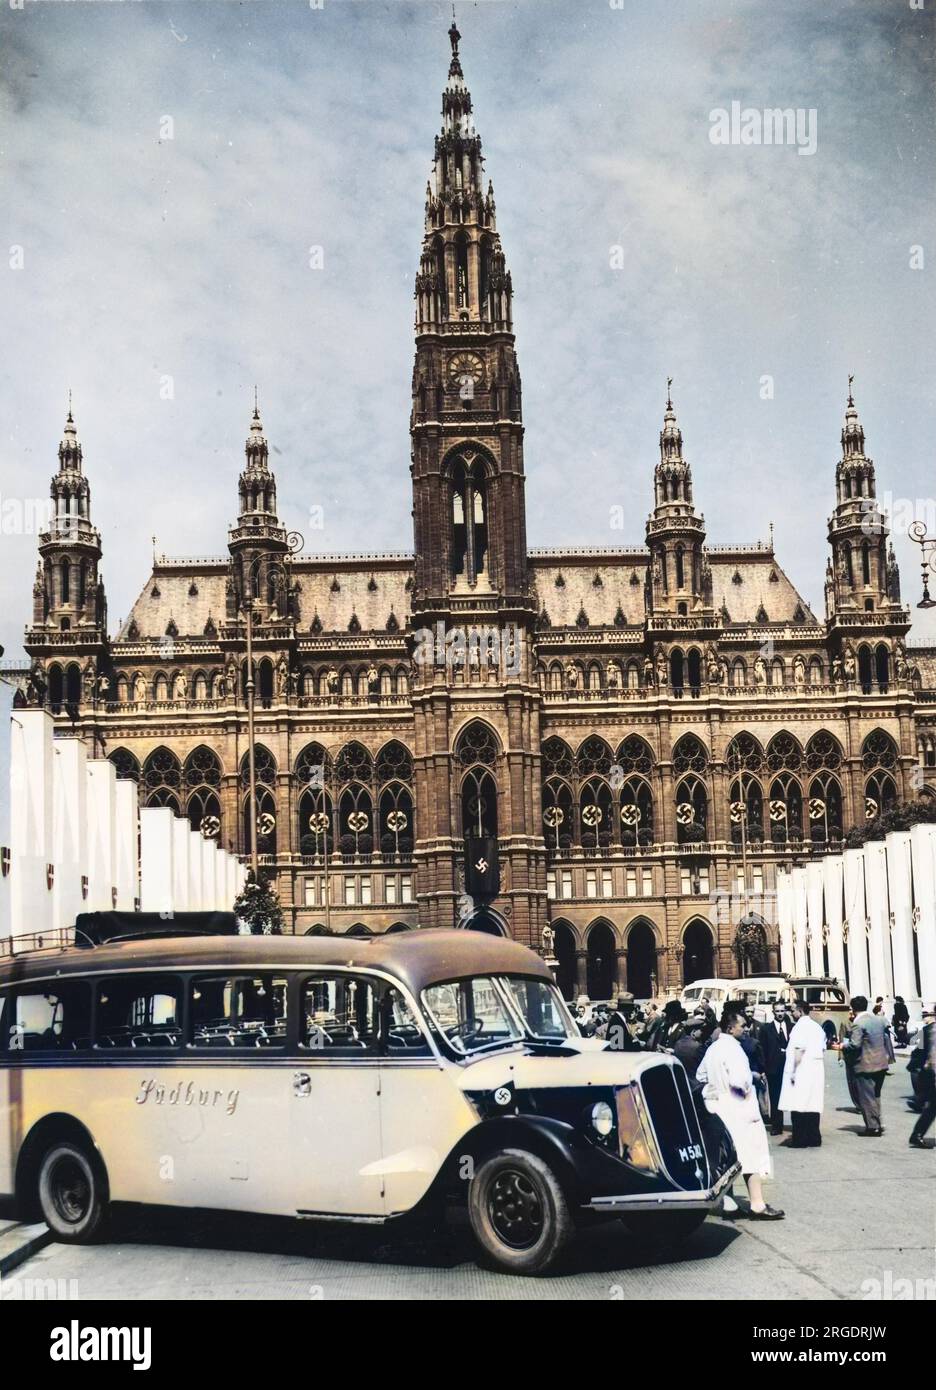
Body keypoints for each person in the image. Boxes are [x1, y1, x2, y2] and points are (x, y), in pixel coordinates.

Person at [696, 1007, 784, 1220]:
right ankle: (758, 1204)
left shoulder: (713, 1048)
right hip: (741, 1111)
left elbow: (700, 1076)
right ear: (730, 1027)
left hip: (720, 1110)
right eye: (743, 1026)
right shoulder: (735, 1050)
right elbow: (740, 1082)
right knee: (751, 1158)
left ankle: (729, 1204)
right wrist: (750, 1081)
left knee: (729, 1161)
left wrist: (716, 1091)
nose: (746, 1029)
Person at [845, 994, 895, 1137]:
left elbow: (854, 1045)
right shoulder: (878, 1020)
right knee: (876, 1095)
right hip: (881, 1064)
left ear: (853, 1009)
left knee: (866, 1097)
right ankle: (878, 1123)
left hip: (865, 1065)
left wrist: (842, 1045)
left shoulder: (858, 1023)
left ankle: (873, 1127)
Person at [778, 1000, 826, 1146]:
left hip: (802, 1069)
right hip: (815, 1069)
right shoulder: (817, 1027)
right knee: (812, 1103)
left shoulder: (799, 1027)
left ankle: (799, 1139)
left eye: (792, 1010)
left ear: (800, 1011)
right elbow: (822, 1048)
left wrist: (793, 1071)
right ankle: (814, 1138)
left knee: (798, 1104)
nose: (791, 1013)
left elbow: (799, 1050)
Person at [758, 1000, 793, 1135]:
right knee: (775, 1096)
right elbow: (762, 1050)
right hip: (774, 1068)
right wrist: (763, 1069)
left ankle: (796, 1125)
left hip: (789, 1068)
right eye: (777, 1011)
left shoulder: (792, 1027)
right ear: (773, 1012)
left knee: (792, 1095)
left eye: (782, 1011)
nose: (780, 1014)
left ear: (786, 1011)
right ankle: (777, 1125)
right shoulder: (766, 1029)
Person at [909, 1005, 935, 1149]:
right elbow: (917, 1053)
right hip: (932, 1077)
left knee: (931, 1109)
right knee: (931, 1109)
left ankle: (916, 1135)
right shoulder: (927, 1031)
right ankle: (917, 1135)